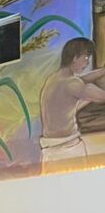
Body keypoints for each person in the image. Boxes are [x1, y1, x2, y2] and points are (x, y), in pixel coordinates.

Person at [38, 37, 105, 168]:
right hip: (66, 149)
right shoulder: (71, 83)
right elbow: (101, 96)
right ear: (75, 57)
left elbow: (82, 80)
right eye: (86, 57)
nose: (88, 62)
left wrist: (102, 72)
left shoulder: (55, 79)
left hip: (50, 150)